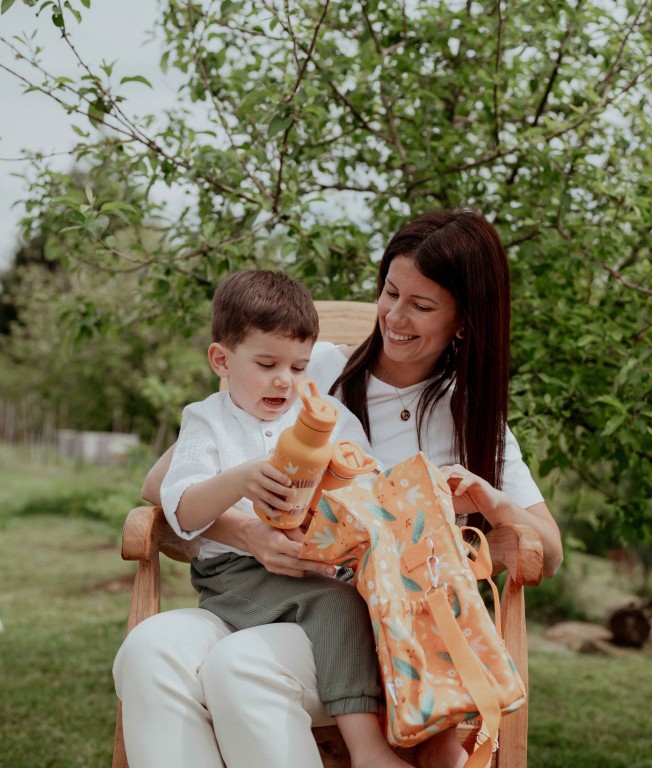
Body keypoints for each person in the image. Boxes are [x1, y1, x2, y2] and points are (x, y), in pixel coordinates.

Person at [113, 208, 563, 768]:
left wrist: (489, 502)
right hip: (242, 589)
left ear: (464, 322)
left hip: (359, 628)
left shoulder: (471, 421)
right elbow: (161, 482)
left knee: (240, 666)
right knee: (149, 651)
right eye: (390, 292)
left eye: (421, 306)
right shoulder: (310, 368)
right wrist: (246, 532)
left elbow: (547, 549)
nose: (395, 316)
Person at [158, 269, 410, 768]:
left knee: (350, 598)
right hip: (235, 577)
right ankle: (368, 750)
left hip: (313, 566)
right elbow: (180, 507)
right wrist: (239, 481)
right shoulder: (208, 421)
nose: (284, 381)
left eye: (298, 368)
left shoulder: (329, 418)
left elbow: (370, 486)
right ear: (221, 360)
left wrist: (348, 488)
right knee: (335, 605)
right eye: (267, 363)